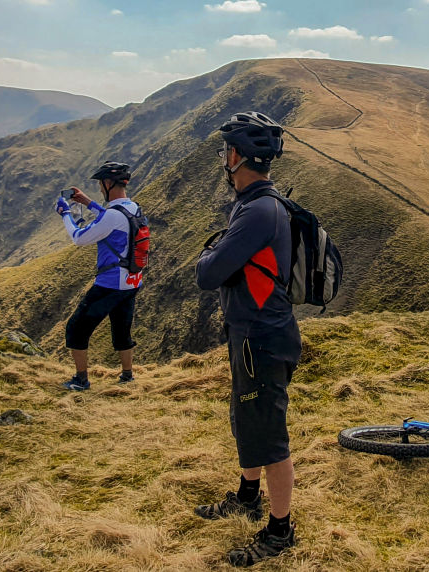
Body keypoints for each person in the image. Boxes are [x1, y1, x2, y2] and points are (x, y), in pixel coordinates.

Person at [194, 111, 299, 567]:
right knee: (246, 417)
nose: (224, 159)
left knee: (268, 432)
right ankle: (247, 496)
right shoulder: (258, 203)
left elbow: (208, 273)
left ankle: (280, 530)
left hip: (262, 338)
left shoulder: (258, 211)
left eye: (225, 152)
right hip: (251, 333)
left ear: (235, 156)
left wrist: (211, 254)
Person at [54, 161, 144, 390]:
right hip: (131, 282)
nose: (100, 189)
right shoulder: (134, 208)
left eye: (101, 184)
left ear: (107, 183)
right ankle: (127, 376)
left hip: (109, 284)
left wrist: (66, 214)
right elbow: (116, 218)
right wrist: (88, 203)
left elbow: (79, 238)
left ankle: (81, 380)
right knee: (122, 329)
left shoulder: (112, 215)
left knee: (76, 329)